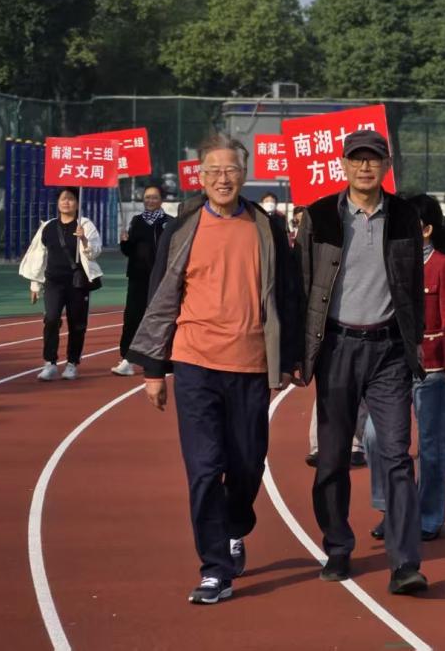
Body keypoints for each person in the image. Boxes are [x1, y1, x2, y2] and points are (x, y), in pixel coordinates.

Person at [127, 133, 300, 604]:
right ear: (200, 178)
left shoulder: (266, 226)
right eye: (214, 171)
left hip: (251, 365)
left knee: (247, 464)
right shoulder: (182, 228)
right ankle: (214, 569)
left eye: (231, 171)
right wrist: (153, 370)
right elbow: (161, 298)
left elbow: (287, 294)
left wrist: (289, 358)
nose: (223, 179)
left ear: (243, 176)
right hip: (195, 364)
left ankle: (234, 525)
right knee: (204, 468)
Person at [295, 130, 429, 595]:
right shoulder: (319, 217)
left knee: (396, 456)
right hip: (336, 348)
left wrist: (415, 342)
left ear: (387, 166)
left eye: (373, 159)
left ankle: (405, 562)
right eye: (357, 159)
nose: (365, 167)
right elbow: (302, 283)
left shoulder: (405, 216)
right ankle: (338, 546)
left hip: (389, 351)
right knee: (332, 459)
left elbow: (412, 286)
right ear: (344, 165)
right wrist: (300, 352)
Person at [366, 194, 445, 542]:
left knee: (432, 445)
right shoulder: (388, 261)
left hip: (433, 368)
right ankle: (391, 508)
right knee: (374, 436)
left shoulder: (442, 265)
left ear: (425, 230)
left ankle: (428, 516)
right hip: (392, 364)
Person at [18, 187, 104, 381]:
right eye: (63, 199)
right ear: (57, 203)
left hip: (77, 283)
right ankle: (50, 363)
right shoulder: (48, 227)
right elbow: (38, 256)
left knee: (77, 324)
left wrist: (83, 239)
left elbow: (95, 252)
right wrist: (35, 285)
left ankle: (72, 363)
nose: (66, 202)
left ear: (77, 203)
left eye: (71, 199)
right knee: (51, 319)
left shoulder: (85, 225)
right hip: (53, 282)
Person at [113, 184, 174, 376]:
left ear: (161, 199)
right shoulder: (136, 221)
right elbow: (129, 251)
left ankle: (163, 360)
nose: (150, 200)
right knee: (132, 318)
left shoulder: (170, 223)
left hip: (161, 278)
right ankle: (127, 359)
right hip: (138, 278)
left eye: (154, 197)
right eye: (147, 197)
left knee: (161, 319)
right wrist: (124, 242)